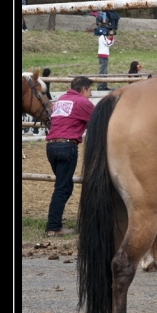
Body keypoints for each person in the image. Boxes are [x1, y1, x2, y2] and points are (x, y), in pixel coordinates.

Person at [45, 76, 94, 236]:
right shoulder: (83, 103)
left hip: (51, 146)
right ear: (83, 89)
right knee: (62, 187)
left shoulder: (60, 100)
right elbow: (98, 122)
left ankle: (55, 222)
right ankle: (53, 227)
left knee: (64, 186)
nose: (91, 94)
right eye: (90, 90)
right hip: (67, 146)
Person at [32, 68, 53, 135]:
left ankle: (36, 130)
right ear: (49, 73)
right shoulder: (46, 80)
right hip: (44, 98)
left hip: (42, 97)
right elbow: (46, 91)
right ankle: (36, 131)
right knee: (42, 113)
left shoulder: (40, 79)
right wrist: (49, 98)